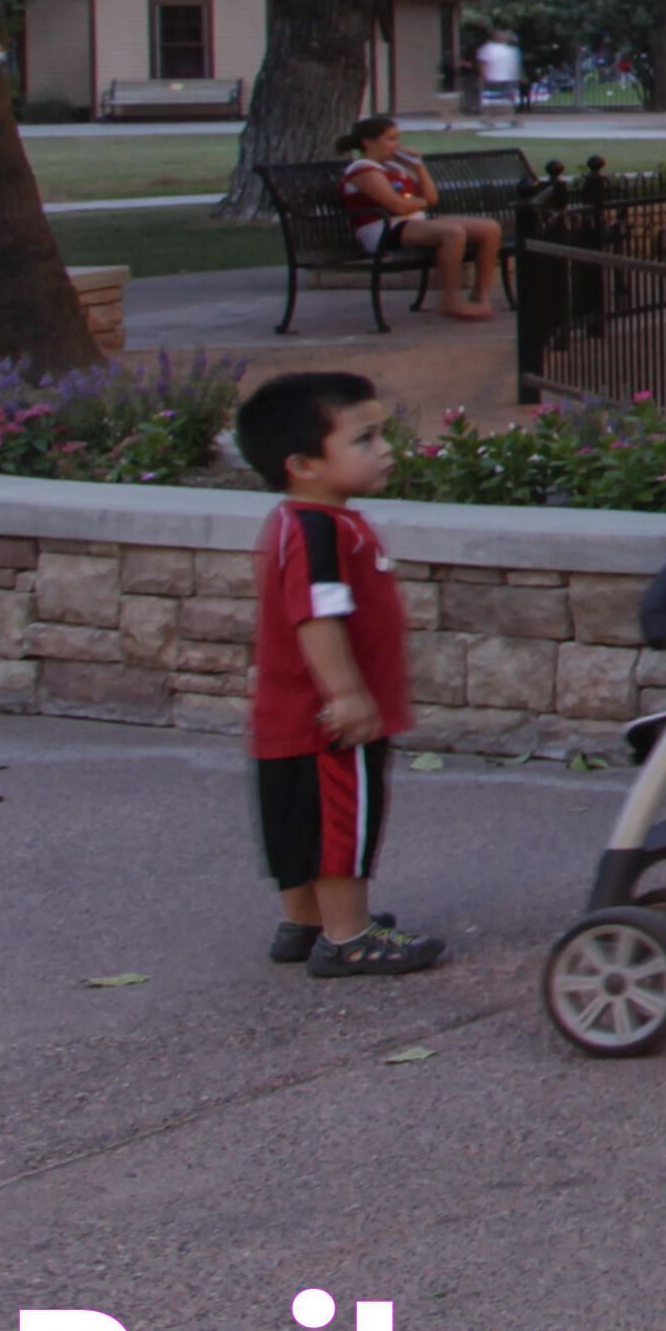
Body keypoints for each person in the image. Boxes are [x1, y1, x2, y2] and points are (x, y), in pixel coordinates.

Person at [234, 370, 443, 977]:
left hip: (289, 716)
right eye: (365, 439)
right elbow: (316, 615)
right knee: (341, 822)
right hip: (330, 719)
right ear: (305, 464)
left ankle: (303, 922)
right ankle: (349, 937)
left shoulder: (302, 523)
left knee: (296, 822)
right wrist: (347, 695)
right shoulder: (319, 529)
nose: (386, 450)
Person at [335, 116, 506, 324]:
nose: (397, 144)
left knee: (489, 228)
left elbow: (431, 198)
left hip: (411, 223)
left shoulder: (394, 168)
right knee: (452, 233)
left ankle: (481, 295)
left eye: (397, 139)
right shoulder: (363, 169)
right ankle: (450, 300)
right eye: (390, 139)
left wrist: (418, 167)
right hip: (383, 230)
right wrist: (420, 202)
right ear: (368, 142)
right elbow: (395, 206)